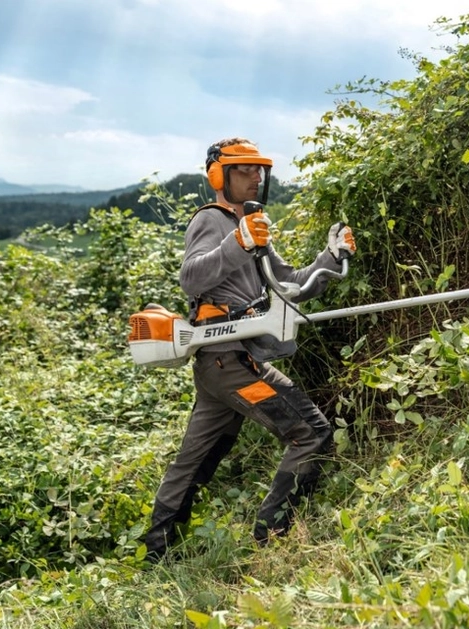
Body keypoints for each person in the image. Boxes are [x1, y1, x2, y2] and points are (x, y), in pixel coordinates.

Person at [143, 137, 356, 562]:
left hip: (226, 364)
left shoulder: (252, 224)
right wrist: (237, 242)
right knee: (311, 433)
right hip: (229, 361)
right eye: (244, 169)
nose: (255, 177)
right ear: (218, 176)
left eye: (259, 169)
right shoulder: (213, 220)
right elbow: (191, 278)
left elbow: (288, 282)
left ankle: (157, 554)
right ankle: (271, 540)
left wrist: (329, 259)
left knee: (196, 459)